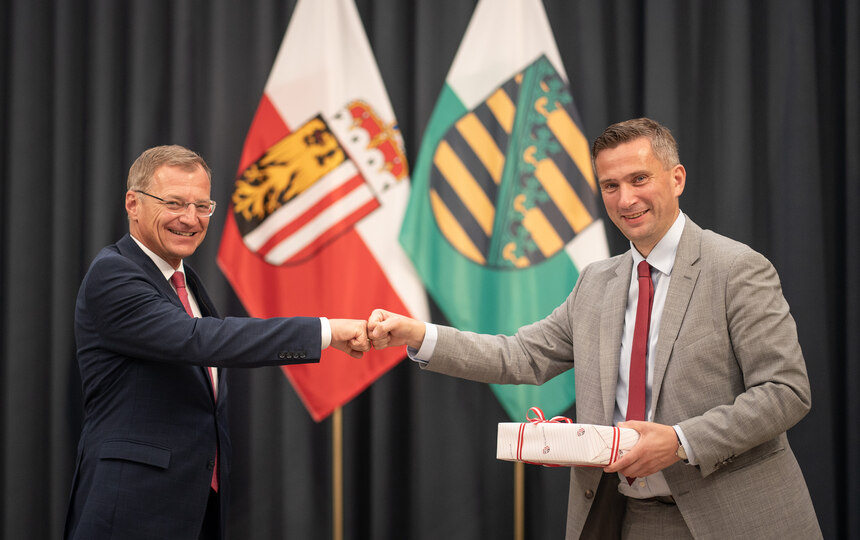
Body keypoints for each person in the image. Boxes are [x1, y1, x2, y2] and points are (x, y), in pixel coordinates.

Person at [368, 118, 821, 539]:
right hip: (627, 518)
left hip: (735, 519)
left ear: (677, 178)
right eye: (610, 185)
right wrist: (418, 335)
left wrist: (682, 442)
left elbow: (785, 391)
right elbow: (520, 355)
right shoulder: (594, 283)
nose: (626, 199)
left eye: (639, 179)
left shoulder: (737, 269)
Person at [64, 145, 370, 540]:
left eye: (202, 206)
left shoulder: (185, 280)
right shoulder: (114, 274)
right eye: (174, 203)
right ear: (133, 203)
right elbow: (200, 339)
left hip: (194, 506)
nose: (190, 219)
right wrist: (324, 332)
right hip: (130, 507)